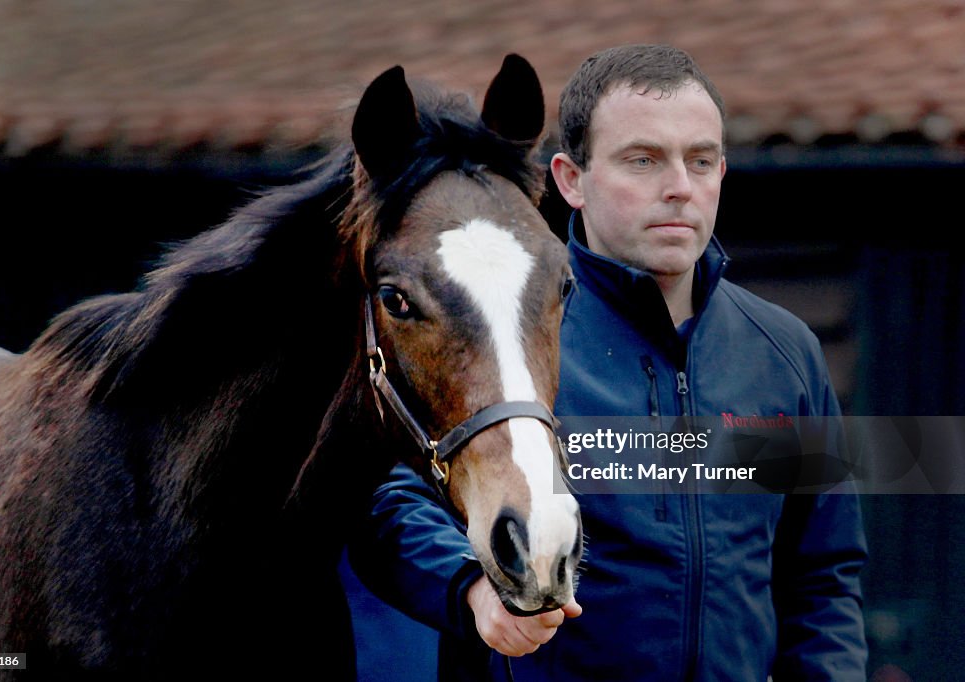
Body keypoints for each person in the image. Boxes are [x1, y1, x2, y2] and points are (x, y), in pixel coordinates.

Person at [348, 44, 868, 681]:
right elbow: (385, 501)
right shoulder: (506, 331)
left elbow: (820, 578)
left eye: (700, 161)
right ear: (571, 181)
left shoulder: (784, 354)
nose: (679, 187)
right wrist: (470, 590)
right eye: (643, 160)